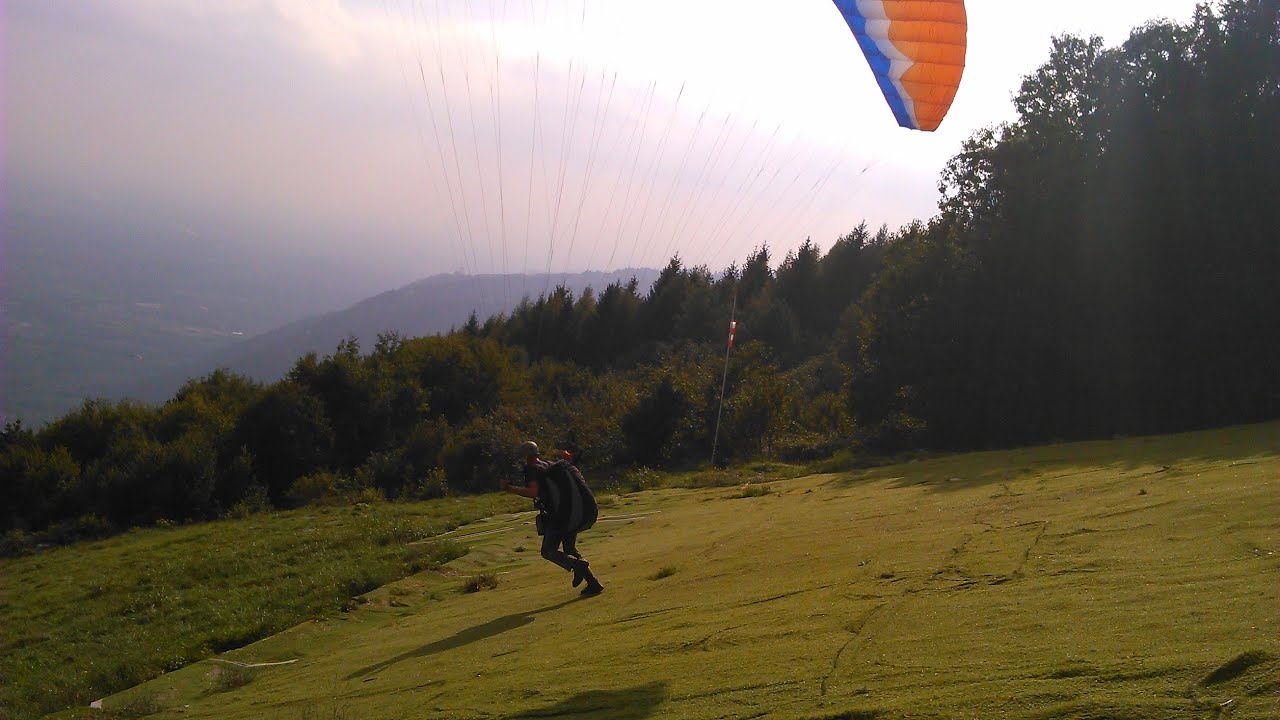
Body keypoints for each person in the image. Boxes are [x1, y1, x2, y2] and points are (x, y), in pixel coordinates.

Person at [500, 440, 603, 596]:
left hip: (559, 515)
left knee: (548, 551)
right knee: (569, 548)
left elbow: (533, 492)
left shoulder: (532, 469)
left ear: (526, 456)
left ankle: (577, 565)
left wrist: (509, 488)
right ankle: (593, 583)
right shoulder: (548, 464)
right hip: (569, 511)